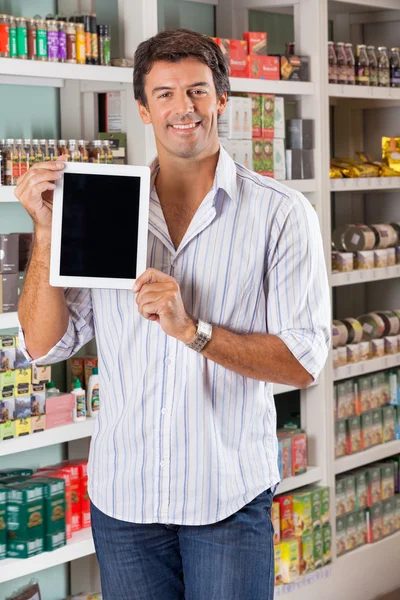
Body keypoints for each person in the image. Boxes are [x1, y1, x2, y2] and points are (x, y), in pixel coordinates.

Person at [15, 28, 330, 600]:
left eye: (197, 91)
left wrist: (195, 332)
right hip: (126, 502)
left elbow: (302, 363)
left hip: (226, 500)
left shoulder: (281, 215)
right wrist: (45, 232)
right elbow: (43, 346)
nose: (182, 108)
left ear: (222, 99)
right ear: (142, 109)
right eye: (164, 94)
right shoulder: (103, 206)